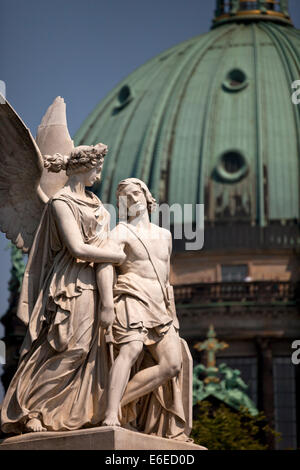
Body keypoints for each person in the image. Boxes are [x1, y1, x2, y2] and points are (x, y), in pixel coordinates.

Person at [0, 144, 125, 434]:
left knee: (91, 351)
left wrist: (109, 297)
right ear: (84, 167)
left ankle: (69, 411)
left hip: (97, 281)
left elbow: (97, 249)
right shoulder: (61, 203)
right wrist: (118, 256)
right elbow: (77, 247)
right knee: (69, 347)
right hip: (70, 283)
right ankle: (32, 408)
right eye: (97, 167)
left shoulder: (96, 204)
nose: (100, 173)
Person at [101, 178, 188, 440]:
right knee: (131, 349)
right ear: (122, 204)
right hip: (132, 296)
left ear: (147, 196)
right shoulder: (120, 232)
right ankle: (109, 413)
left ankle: (116, 403)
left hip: (160, 305)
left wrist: (172, 314)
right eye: (126, 197)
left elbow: (166, 279)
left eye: (136, 193)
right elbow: (104, 265)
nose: (133, 199)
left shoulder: (165, 235)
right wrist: (106, 303)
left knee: (172, 364)